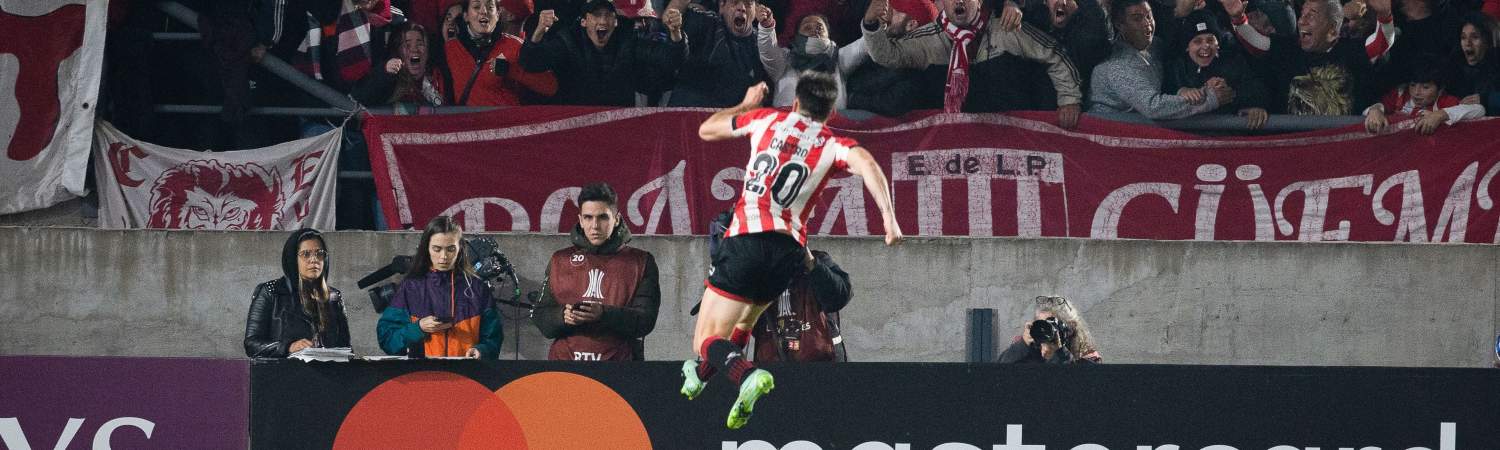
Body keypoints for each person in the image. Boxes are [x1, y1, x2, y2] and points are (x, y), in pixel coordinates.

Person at [682, 73, 903, 429]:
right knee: (744, 322)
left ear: (795, 103)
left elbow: (708, 130)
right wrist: (889, 220)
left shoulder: (767, 119)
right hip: (789, 252)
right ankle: (704, 377)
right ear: (831, 112)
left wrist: (746, 103)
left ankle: (746, 376)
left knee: (705, 338)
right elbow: (869, 166)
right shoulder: (833, 143)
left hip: (747, 238)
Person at [859, 0, 1085, 128]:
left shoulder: (1005, 28)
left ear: (979, 2)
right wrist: (871, 24)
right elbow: (887, 55)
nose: (959, 1)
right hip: (952, 141)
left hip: (1008, 136)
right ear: (942, 3)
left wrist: (1069, 100)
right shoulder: (927, 38)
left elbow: (1055, 55)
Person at [531, 183, 662, 361]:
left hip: (619, 369)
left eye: (602, 217)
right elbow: (540, 316)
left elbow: (645, 321)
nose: (595, 226)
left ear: (616, 219)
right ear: (580, 219)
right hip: (564, 368)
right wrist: (563, 316)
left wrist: (603, 314)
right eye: (588, 217)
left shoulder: (641, 261)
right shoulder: (559, 260)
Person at [1219, 0, 1398, 115]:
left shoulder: (1351, 52)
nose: (1301, 21)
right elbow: (1257, 44)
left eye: (1311, 15)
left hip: (1341, 147)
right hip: (1296, 147)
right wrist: (1237, 18)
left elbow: (1381, 43)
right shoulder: (1288, 49)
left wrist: (1384, 16)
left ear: (1332, 31)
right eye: (1302, 14)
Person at [377, 216, 505, 359]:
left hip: (467, 375)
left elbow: (493, 338)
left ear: (461, 249)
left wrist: (481, 351)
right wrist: (418, 328)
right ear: (427, 249)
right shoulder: (411, 287)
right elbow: (387, 339)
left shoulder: (477, 288)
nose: (443, 257)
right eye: (437, 249)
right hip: (422, 375)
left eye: (451, 249)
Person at [520, 0, 687, 106]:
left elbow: (670, 60)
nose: (602, 20)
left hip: (618, 123)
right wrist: (540, 31)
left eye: (608, 15)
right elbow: (531, 63)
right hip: (576, 124)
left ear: (616, 22)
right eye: (596, 15)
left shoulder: (629, 40)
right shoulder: (569, 40)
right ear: (584, 21)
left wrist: (676, 34)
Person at [1089, 0, 1234, 120]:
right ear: (1120, 25)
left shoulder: (1156, 45)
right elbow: (1154, 106)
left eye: (1148, 16)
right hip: (1109, 138)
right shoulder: (1117, 66)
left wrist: (1185, 89)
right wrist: (1210, 98)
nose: (1147, 24)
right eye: (1137, 18)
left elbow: (1179, 58)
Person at [244, 229, 351, 358]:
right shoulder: (271, 292)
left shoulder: (334, 297)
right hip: (283, 374)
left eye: (319, 253)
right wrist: (289, 347)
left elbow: (346, 347)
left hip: (328, 375)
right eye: (306, 254)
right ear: (293, 259)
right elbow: (251, 344)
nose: (314, 260)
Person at [1163, 11, 1271, 129]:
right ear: (1187, 47)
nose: (1205, 46)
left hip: (1227, 137)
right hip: (1190, 137)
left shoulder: (1233, 61)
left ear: (1218, 44)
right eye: (1197, 41)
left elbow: (1258, 91)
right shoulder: (1176, 67)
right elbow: (1161, 98)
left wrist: (1250, 105)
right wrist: (1181, 92)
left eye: (1210, 40)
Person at [842, 0, 947, 116]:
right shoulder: (894, 41)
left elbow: (885, 103)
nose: (887, 15)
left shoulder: (909, 73)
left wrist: (871, 22)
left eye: (895, 12)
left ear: (911, 25)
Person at [445, 0, 560, 105]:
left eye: (490, 7)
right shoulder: (451, 47)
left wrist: (512, 70)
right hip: (469, 124)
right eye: (476, 6)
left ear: (498, 15)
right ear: (465, 16)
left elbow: (551, 86)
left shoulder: (515, 46)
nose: (484, 11)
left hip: (505, 124)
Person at [663, 0, 771, 107]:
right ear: (721, 7)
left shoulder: (762, 45)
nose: (741, 7)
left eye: (748, 4)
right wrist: (675, 29)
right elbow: (669, 22)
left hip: (730, 118)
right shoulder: (704, 22)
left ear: (755, 11)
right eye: (734, 2)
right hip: (687, 113)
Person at [755, 12, 866, 109]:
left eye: (820, 27)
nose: (814, 30)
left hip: (833, 127)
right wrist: (766, 28)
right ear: (796, 35)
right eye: (807, 27)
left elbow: (864, 45)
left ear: (829, 35)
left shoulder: (839, 58)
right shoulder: (784, 59)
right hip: (788, 127)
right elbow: (768, 50)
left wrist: (875, 24)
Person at [1362, 61, 1485, 135]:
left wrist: (1439, 115)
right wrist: (1375, 111)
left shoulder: (1444, 101)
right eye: (1413, 85)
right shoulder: (1400, 94)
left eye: (1425, 87)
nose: (1416, 92)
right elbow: (1376, 107)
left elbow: (1479, 110)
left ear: (1440, 89)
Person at [353, 22, 449, 107]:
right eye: (407, 45)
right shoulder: (389, 82)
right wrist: (384, 72)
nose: (414, 49)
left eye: (420, 44)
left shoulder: (437, 80)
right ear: (397, 52)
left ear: (427, 52)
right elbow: (360, 98)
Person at [997, 295, 1102, 364]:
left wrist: (1059, 354)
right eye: (1042, 324)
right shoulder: (1027, 349)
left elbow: (1082, 386)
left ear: (1070, 328)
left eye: (1051, 324)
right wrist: (1022, 345)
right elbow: (997, 373)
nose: (1046, 330)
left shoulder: (1087, 356)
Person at [1452, 12, 1500, 116]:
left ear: (1487, 41)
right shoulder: (1456, 69)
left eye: (1475, 37)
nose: (1467, 43)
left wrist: (1486, 100)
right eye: (1463, 37)